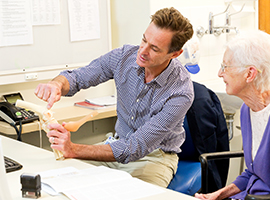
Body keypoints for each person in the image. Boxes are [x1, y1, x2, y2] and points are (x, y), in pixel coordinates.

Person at [34, 7, 194, 188]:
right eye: (144, 40)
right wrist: (57, 84)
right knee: (58, 181)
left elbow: (135, 147)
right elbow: (78, 77)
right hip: (116, 145)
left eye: (154, 48)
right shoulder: (124, 57)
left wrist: (74, 149)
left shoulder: (180, 91)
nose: (142, 50)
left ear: (175, 54)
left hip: (155, 158)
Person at [195, 30, 270, 199]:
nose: (219, 73)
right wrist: (217, 195)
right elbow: (252, 173)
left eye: (225, 67)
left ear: (250, 74)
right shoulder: (247, 108)